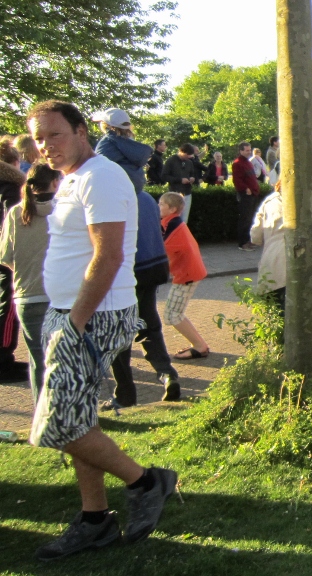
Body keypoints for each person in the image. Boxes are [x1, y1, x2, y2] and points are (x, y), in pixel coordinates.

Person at [26, 100, 177, 560]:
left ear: (80, 130)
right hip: (73, 312)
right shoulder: (72, 178)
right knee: (79, 418)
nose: (45, 146)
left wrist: (75, 321)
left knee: (53, 427)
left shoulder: (102, 176)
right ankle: (95, 520)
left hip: (91, 316)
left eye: (54, 134)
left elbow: (108, 256)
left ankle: (147, 481)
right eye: (37, 138)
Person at [96, 125, 179, 408]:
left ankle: (125, 394)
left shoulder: (112, 196)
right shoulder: (144, 197)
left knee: (118, 331)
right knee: (148, 324)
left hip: (129, 271)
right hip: (154, 267)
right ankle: (168, 375)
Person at [0, 163, 61, 401]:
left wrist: (24, 272)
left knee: (38, 360)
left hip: (27, 294)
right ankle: (65, 414)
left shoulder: (16, 213)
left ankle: (42, 415)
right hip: (59, 294)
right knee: (62, 357)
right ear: (55, 182)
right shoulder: (64, 210)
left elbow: (6, 257)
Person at [251, 177, 312, 309]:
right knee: (305, 320)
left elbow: (255, 238)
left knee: (277, 319)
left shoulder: (268, 202)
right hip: (304, 267)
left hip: (272, 269)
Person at [158, 193, 211, 360]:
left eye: (161, 204)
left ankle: (200, 346)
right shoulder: (171, 222)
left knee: (172, 315)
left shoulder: (174, 226)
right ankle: (199, 344)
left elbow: (162, 249)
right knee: (174, 313)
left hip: (187, 274)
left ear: (172, 209)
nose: (157, 207)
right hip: (188, 272)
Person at [0, 139, 27, 382]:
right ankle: (3, 359)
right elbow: (13, 220)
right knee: (8, 306)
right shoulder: (10, 185)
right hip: (6, 255)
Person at [92, 108, 151, 193]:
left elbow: (97, 171)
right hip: (135, 192)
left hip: (113, 192)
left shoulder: (106, 143)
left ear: (106, 125)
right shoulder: (132, 144)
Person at [232, 142, 260, 251]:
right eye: (247, 150)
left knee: (250, 219)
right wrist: (245, 188)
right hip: (246, 195)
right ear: (241, 151)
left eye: (250, 150)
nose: (249, 152)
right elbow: (237, 180)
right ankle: (242, 243)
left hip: (253, 193)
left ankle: (248, 240)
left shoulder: (248, 162)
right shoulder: (237, 163)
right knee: (244, 219)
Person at [161, 145, 198, 223]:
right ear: (181, 152)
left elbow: (192, 174)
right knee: (173, 217)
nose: (188, 157)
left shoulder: (189, 162)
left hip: (187, 192)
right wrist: (179, 180)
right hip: (175, 192)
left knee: (184, 219)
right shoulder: (171, 161)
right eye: (187, 155)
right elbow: (164, 176)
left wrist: (192, 178)